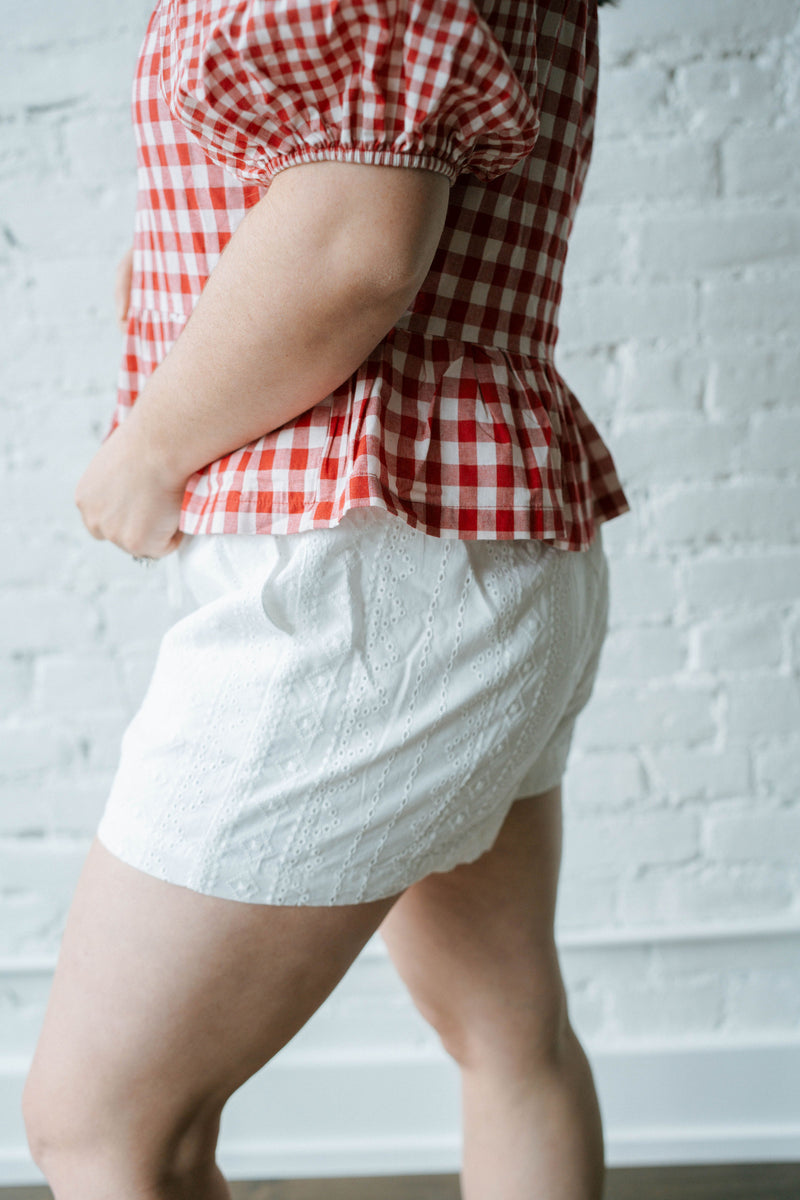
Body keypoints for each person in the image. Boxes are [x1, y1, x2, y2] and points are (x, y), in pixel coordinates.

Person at [22, 0, 629, 1197]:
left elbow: (355, 240)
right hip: (486, 528)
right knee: (507, 1039)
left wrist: (150, 446)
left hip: (360, 566)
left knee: (101, 1123)